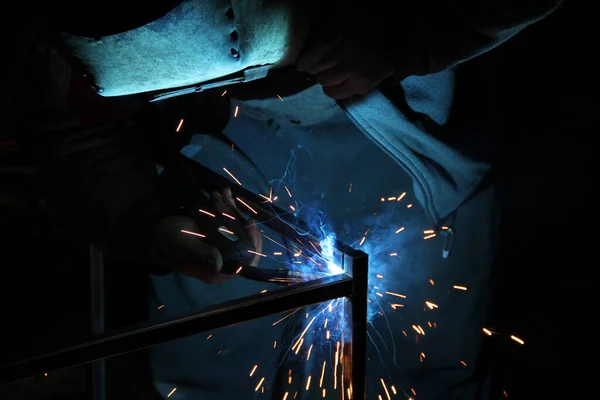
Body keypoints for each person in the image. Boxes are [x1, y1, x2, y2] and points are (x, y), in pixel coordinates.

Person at [2, 0, 563, 398]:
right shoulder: (66, 31)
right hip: (214, 164)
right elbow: (73, 123)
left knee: (418, 375)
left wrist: (401, 29)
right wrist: (151, 224)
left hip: (415, 154)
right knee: (209, 371)